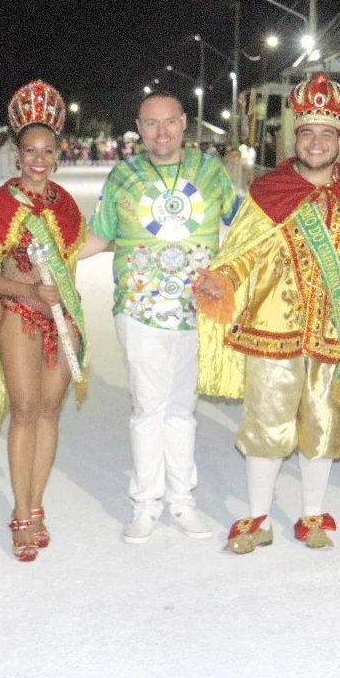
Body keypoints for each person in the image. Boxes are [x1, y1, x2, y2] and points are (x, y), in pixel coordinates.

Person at [194, 72, 340, 555]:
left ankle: (311, 515)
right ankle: (257, 517)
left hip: (338, 333)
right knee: (267, 424)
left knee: (324, 424)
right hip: (273, 330)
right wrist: (222, 279)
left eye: (326, 133)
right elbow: (241, 252)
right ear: (294, 138)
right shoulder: (269, 190)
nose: (316, 142)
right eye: (308, 133)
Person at [0, 81, 103, 562]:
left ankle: (38, 506)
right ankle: (20, 512)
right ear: (17, 154)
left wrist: (137, 235)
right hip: (17, 317)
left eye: (47, 151)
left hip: (62, 320)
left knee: (49, 412)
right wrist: (29, 292)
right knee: (24, 411)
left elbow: (77, 255)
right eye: (29, 151)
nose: (38, 159)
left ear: (58, 153)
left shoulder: (64, 205)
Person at [88, 90, 239, 544]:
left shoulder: (211, 172)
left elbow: (245, 227)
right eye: (151, 124)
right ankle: (146, 504)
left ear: (184, 123)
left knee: (181, 410)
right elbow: (98, 236)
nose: (161, 132)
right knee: (146, 409)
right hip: (139, 310)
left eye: (169, 122)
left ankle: (182, 501)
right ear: (139, 126)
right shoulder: (123, 176)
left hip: (197, 310)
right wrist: (50, 261)